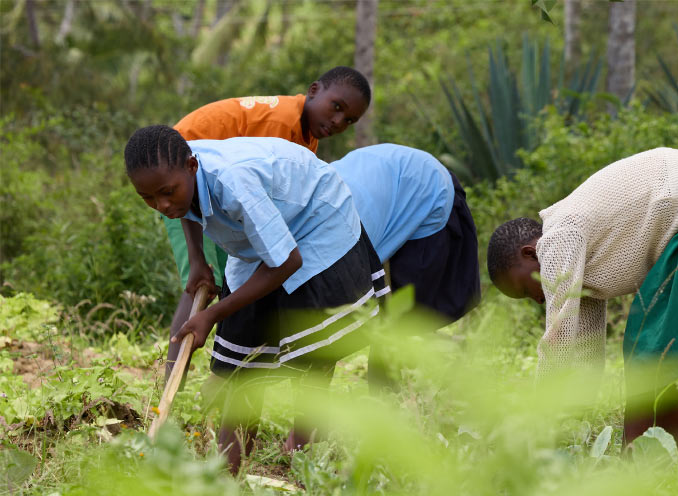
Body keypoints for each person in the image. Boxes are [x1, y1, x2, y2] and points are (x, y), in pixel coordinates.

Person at [125, 126, 385, 474]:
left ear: (191, 166)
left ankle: (302, 454)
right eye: (149, 198)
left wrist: (213, 314)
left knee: (311, 347)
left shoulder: (233, 182)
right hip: (263, 234)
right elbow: (183, 208)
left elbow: (287, 262)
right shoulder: (175, 174)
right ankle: (226, 474)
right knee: (238, 360)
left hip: (316, 219)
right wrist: (199, 261)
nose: (162, 205)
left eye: (166, 193)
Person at [486, 148, 678, 447]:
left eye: (524, 290)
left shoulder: (558, 238)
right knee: (660, 349)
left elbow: (557, 340)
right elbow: (585, 353)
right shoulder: (577, 264)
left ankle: (637, 459)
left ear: (530, 253)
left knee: (652, 351)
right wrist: (572, 420)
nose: (535, 300)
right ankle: (655, 455)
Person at [164, 66, 371, 381]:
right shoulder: (280, 123)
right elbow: (252, 190)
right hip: (178, 181)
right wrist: (197, 258)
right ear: (314, 91)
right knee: (204, 283)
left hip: (208, 187)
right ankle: (170, 384)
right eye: (337, 107)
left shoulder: (304, 133)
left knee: (231, 279)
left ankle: (228, 369)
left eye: (350, 120)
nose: (338, 122)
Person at [331, 144, 481, 388]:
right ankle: (389, 385)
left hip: (425, 190)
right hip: (387, 186)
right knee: (383, 309)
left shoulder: (342, 237)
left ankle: (392, 389)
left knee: (398, 312)